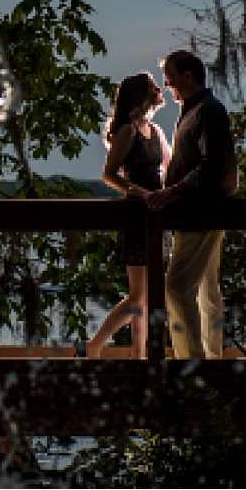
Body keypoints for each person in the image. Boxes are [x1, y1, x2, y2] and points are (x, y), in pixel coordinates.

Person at [146, 49, 238, 360]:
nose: (166, 83)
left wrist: (172, 191)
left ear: (188, 76)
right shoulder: (194, 109)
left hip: (201, 211)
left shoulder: (207, 111)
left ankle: (191, 362)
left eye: (169, 76)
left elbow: (211, 165)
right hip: (198, 211)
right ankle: (211, 358)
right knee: (206, 289)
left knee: (176, 287)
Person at [84, 72, 170, 359]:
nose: (161, 90)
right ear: (141, 96)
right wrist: (140, 193)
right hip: (135, 216)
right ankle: (95, 346)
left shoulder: (156, 131)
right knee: (137, 296)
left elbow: (169, 170)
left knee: (147, 295)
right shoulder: (128, 131)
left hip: (158, 215)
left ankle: (139, 354)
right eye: (154, 87)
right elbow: (109, 175)